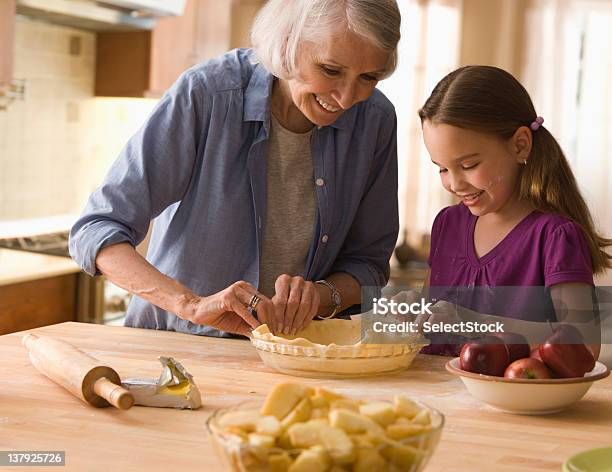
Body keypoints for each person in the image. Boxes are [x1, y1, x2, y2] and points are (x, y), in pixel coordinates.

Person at [69, 0, 401, 338]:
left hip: (295, 355)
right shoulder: (208, 93)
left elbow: (369, 264)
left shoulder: (375, 121)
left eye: (368, 77)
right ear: (287, 45)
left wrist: (321, 296)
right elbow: (96, 229)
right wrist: (192, 305)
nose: (346, 98)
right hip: (178, 346)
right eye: (331, 70)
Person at [415, 65, 611, 358]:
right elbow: (431, 319)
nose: (454, 184)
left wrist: (472, 322)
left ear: (520, 145)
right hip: (435, 398)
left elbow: (582, 343)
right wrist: (407, 310)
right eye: (442, 168)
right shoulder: (447, 223)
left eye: (468, 165)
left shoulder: (556, 236)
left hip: (513, 401)